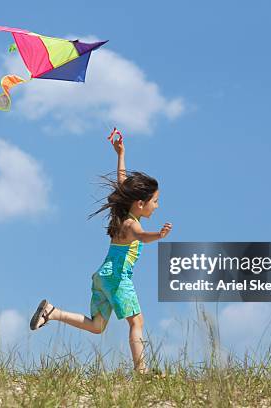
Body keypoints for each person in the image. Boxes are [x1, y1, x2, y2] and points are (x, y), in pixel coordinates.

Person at [29, 135, 172, 373]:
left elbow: (122, 184)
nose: (156, 205)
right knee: (136, 322)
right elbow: (141, 236)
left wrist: (121, 155)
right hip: (117, 278)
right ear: (139, 203)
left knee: (97, 326)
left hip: (102, 277)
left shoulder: (125, 213)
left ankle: (52, 312)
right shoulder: (130, 225)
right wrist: (159, 235)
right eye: (155, 201)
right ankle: (142, 372)